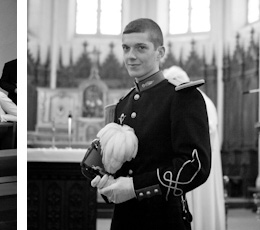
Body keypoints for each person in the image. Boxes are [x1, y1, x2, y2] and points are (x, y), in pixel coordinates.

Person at [89, 18, 211, 230]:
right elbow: (119, 164)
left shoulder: (181, 98)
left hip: (164, 219)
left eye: (141, 48)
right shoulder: (122, 105)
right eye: (126, 48)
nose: (131, 56)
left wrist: (136, 187)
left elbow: (195, 165)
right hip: (124, 220)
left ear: (160, 53)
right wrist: (107, 181)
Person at [163, 66, 225, 230]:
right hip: (192, 161)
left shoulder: (192, 98)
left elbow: (208, 129)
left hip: (196, 163)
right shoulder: (199, 98)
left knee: (198, 202)